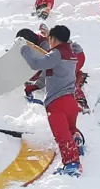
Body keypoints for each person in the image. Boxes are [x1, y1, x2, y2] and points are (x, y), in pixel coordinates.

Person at [18, 25, 85, 177]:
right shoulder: (71, 53)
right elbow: (48, 73)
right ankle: (76, 141)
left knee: (61, 134)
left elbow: (36, 64)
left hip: (57, 102)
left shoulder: (57, 53)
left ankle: (72, 164)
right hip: (70, 100)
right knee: (70, 129)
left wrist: (24, 49)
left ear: (53, 39)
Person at [21, 24, 89, 113]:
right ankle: (78, 74)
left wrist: (36, 85)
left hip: (75, 57)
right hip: (69, 56)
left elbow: (48, 70)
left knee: (64, 81)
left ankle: (80, 100)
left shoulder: (46, 47)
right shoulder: (37, 42)